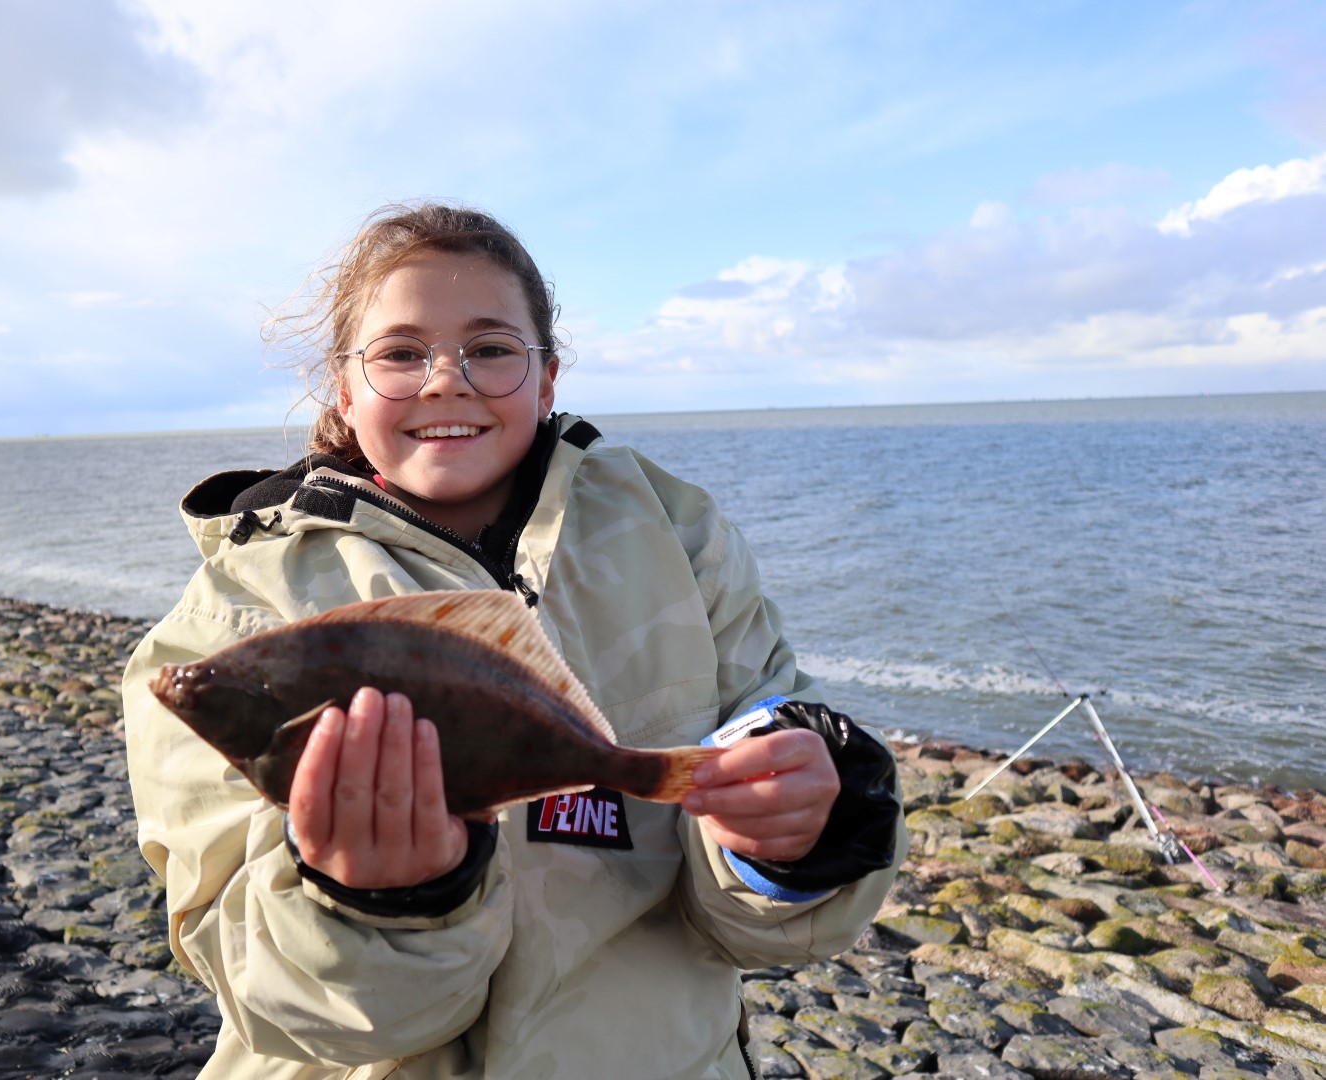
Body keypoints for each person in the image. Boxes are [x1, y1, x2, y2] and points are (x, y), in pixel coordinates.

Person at [122, 202, 906, 1079]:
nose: (444, 381)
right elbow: (254, 979)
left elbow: (762, 851)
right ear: (344, 389)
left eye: (491, 349)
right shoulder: (231, 611)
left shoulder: (677, 537)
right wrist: (375, 900)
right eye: (399, 353)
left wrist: (796, 831)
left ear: (548, 379)